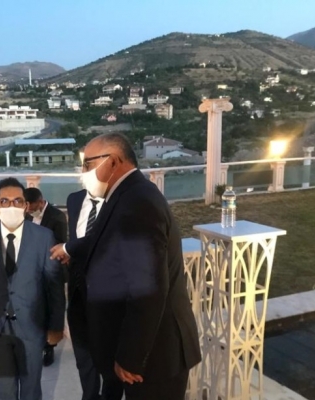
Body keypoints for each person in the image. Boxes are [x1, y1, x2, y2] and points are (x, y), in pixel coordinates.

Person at [50, 133, 202, 400]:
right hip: (146, 351)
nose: (83, 173)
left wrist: (131, 356)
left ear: (113, 161)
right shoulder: (124, 196)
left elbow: (148, 289)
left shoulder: (137, 203)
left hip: (154, 357)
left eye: (88, 164)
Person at [0, 177, 66, 400]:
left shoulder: (43, 237)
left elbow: (53, 284)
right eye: (5, 201)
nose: (11, 206)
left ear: (26, 206)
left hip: (32, 325)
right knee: (6, 387)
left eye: (17, 201)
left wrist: (56, 326)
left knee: (31, 386)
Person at [66, 189, 123, 400]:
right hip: (77, 294)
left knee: (109, 359)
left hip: (109, 297)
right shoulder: (74, 199)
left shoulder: (119, 201)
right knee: (84, 357)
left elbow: (107, 240)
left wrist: (68, 248)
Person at [24, 186, 68, 367]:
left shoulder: (57, 217)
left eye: (31, 206)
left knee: (53, 307)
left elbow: (59, 244)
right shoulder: (27, 215)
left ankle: (49, 346)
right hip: (31, 270)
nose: (28, 210)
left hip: (51, 269)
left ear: (40, 202)